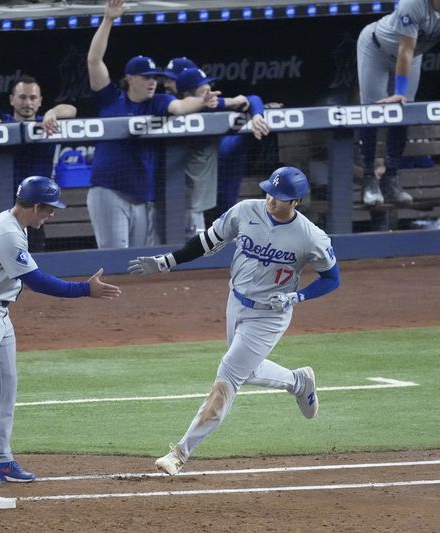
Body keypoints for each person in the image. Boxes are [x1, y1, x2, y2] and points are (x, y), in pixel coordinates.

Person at [128, 166, 341, 475]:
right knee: (247, 370)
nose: (271, 199)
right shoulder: (245, 211)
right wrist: (166, 262)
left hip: (269, 316)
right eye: (269, 191)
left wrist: (298, 297)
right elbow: (206, 241)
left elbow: (331, 278)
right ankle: (298, 382)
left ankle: (179, 454)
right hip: (235, 302)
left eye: (279, 197)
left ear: (295, 201)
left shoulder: (311, 237)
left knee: (226, 379)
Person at [0, 175, 121, 486]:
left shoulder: (13, 224)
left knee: (7, 385)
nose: (51, 214)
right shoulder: (7, 234)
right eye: (49, 209)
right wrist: (84, 290)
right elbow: (37, 281)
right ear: (36, 206)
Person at [86, 0, 220, 249]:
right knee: (116, 258)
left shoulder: (157, 102)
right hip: (108, 189)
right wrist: (108, 20)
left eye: (155, 78)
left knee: (137, 260)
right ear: (129, 78)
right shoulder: (111, 99)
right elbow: (94, 61)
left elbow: (179, 108)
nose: (152, 82)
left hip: (141, 196)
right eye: (146, 77)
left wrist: (201, 101)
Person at [356, 0, 440, 207]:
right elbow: (405, 48)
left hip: (412, 55)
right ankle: (369, 180)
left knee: (403, 113)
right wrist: (399, 92)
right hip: (376, 49)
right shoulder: (414, 4)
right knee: (371, 113)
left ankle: (391, 178)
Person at [0, 29, 78, 253]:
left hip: (34, 212)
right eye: (22, 97)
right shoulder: (1, 121)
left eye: (32, 98)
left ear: (40, 101)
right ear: (12, 99)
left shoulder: (47, 122)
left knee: (31, 275)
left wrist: (52, 113)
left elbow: (70, 109)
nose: (27, 102)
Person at [173, 67, 270, 237]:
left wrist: (257, 116)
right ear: (188, 95)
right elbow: (204, 105)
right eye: (204, 90)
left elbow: (253, 99)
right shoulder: (173, 112)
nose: (210, 94)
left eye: (209, 88)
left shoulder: (212, 107)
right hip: (180, 199)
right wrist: (230, 101)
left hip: (208, 195)